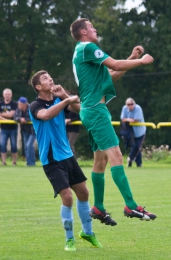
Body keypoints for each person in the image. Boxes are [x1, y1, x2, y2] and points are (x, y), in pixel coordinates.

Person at [70, 18, 156, 226]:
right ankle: (130, 205)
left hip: (92, 111)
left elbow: (112, 74)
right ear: (83, 31)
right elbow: (115, 65)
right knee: (116, 155)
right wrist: (142, 61)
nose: (95, 29)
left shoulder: (83, 52)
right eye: (91, 26)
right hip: (96, 112)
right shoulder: (87, 47)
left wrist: (132, 58)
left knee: (101, 161)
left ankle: (98, 207)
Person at [29, 70, 102, 251]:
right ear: (38, 87)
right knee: (67, 197)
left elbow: (79, 109)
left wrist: (65, 96)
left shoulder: (58, 99)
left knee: (84, 193)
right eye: (45, 78)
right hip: (51, 159)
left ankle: (87, 232)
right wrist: (64, 101)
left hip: (67, 155)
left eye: (50, 76)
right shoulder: (35, 105)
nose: (50, 78)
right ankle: (69, 240)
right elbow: (46, 115)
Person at [0, 88, 18, 165]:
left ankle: (14, 162)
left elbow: (11, 114)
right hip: (3, 129)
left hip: (13, 128)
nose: (7, 96)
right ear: (3, 95)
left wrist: (1, 114)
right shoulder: (0, 104)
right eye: (6, 94)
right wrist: (5, 119)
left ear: (11, 95)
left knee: (14, 145)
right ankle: (3, 161)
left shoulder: (14, 104)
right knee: (2, 145)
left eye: (8, 94)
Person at [121, 98, 146, 167]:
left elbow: (136, 120)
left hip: (140, 132)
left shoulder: (138, 108)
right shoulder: (124, 108)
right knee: (134, 147)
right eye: (128, 104)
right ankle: (139, 164)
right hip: (131, 132)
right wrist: (129, 119)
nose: (130, 106)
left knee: (137, 146)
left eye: (132, 104)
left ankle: (130, 159)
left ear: (134, 104)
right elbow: (123, 119)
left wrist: (127, 120)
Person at [14, 97, 36, 166]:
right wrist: (20, 119)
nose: (18, 105)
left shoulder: (31, 108)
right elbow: (15, 117)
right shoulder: (18, 109)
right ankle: (28, 162)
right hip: (25, 130)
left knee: (29, 145)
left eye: (20, 104)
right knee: (26, 147)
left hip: (33, 130)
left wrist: (25, 120)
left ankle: (31, 162)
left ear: (24, 104)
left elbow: (35, 116)